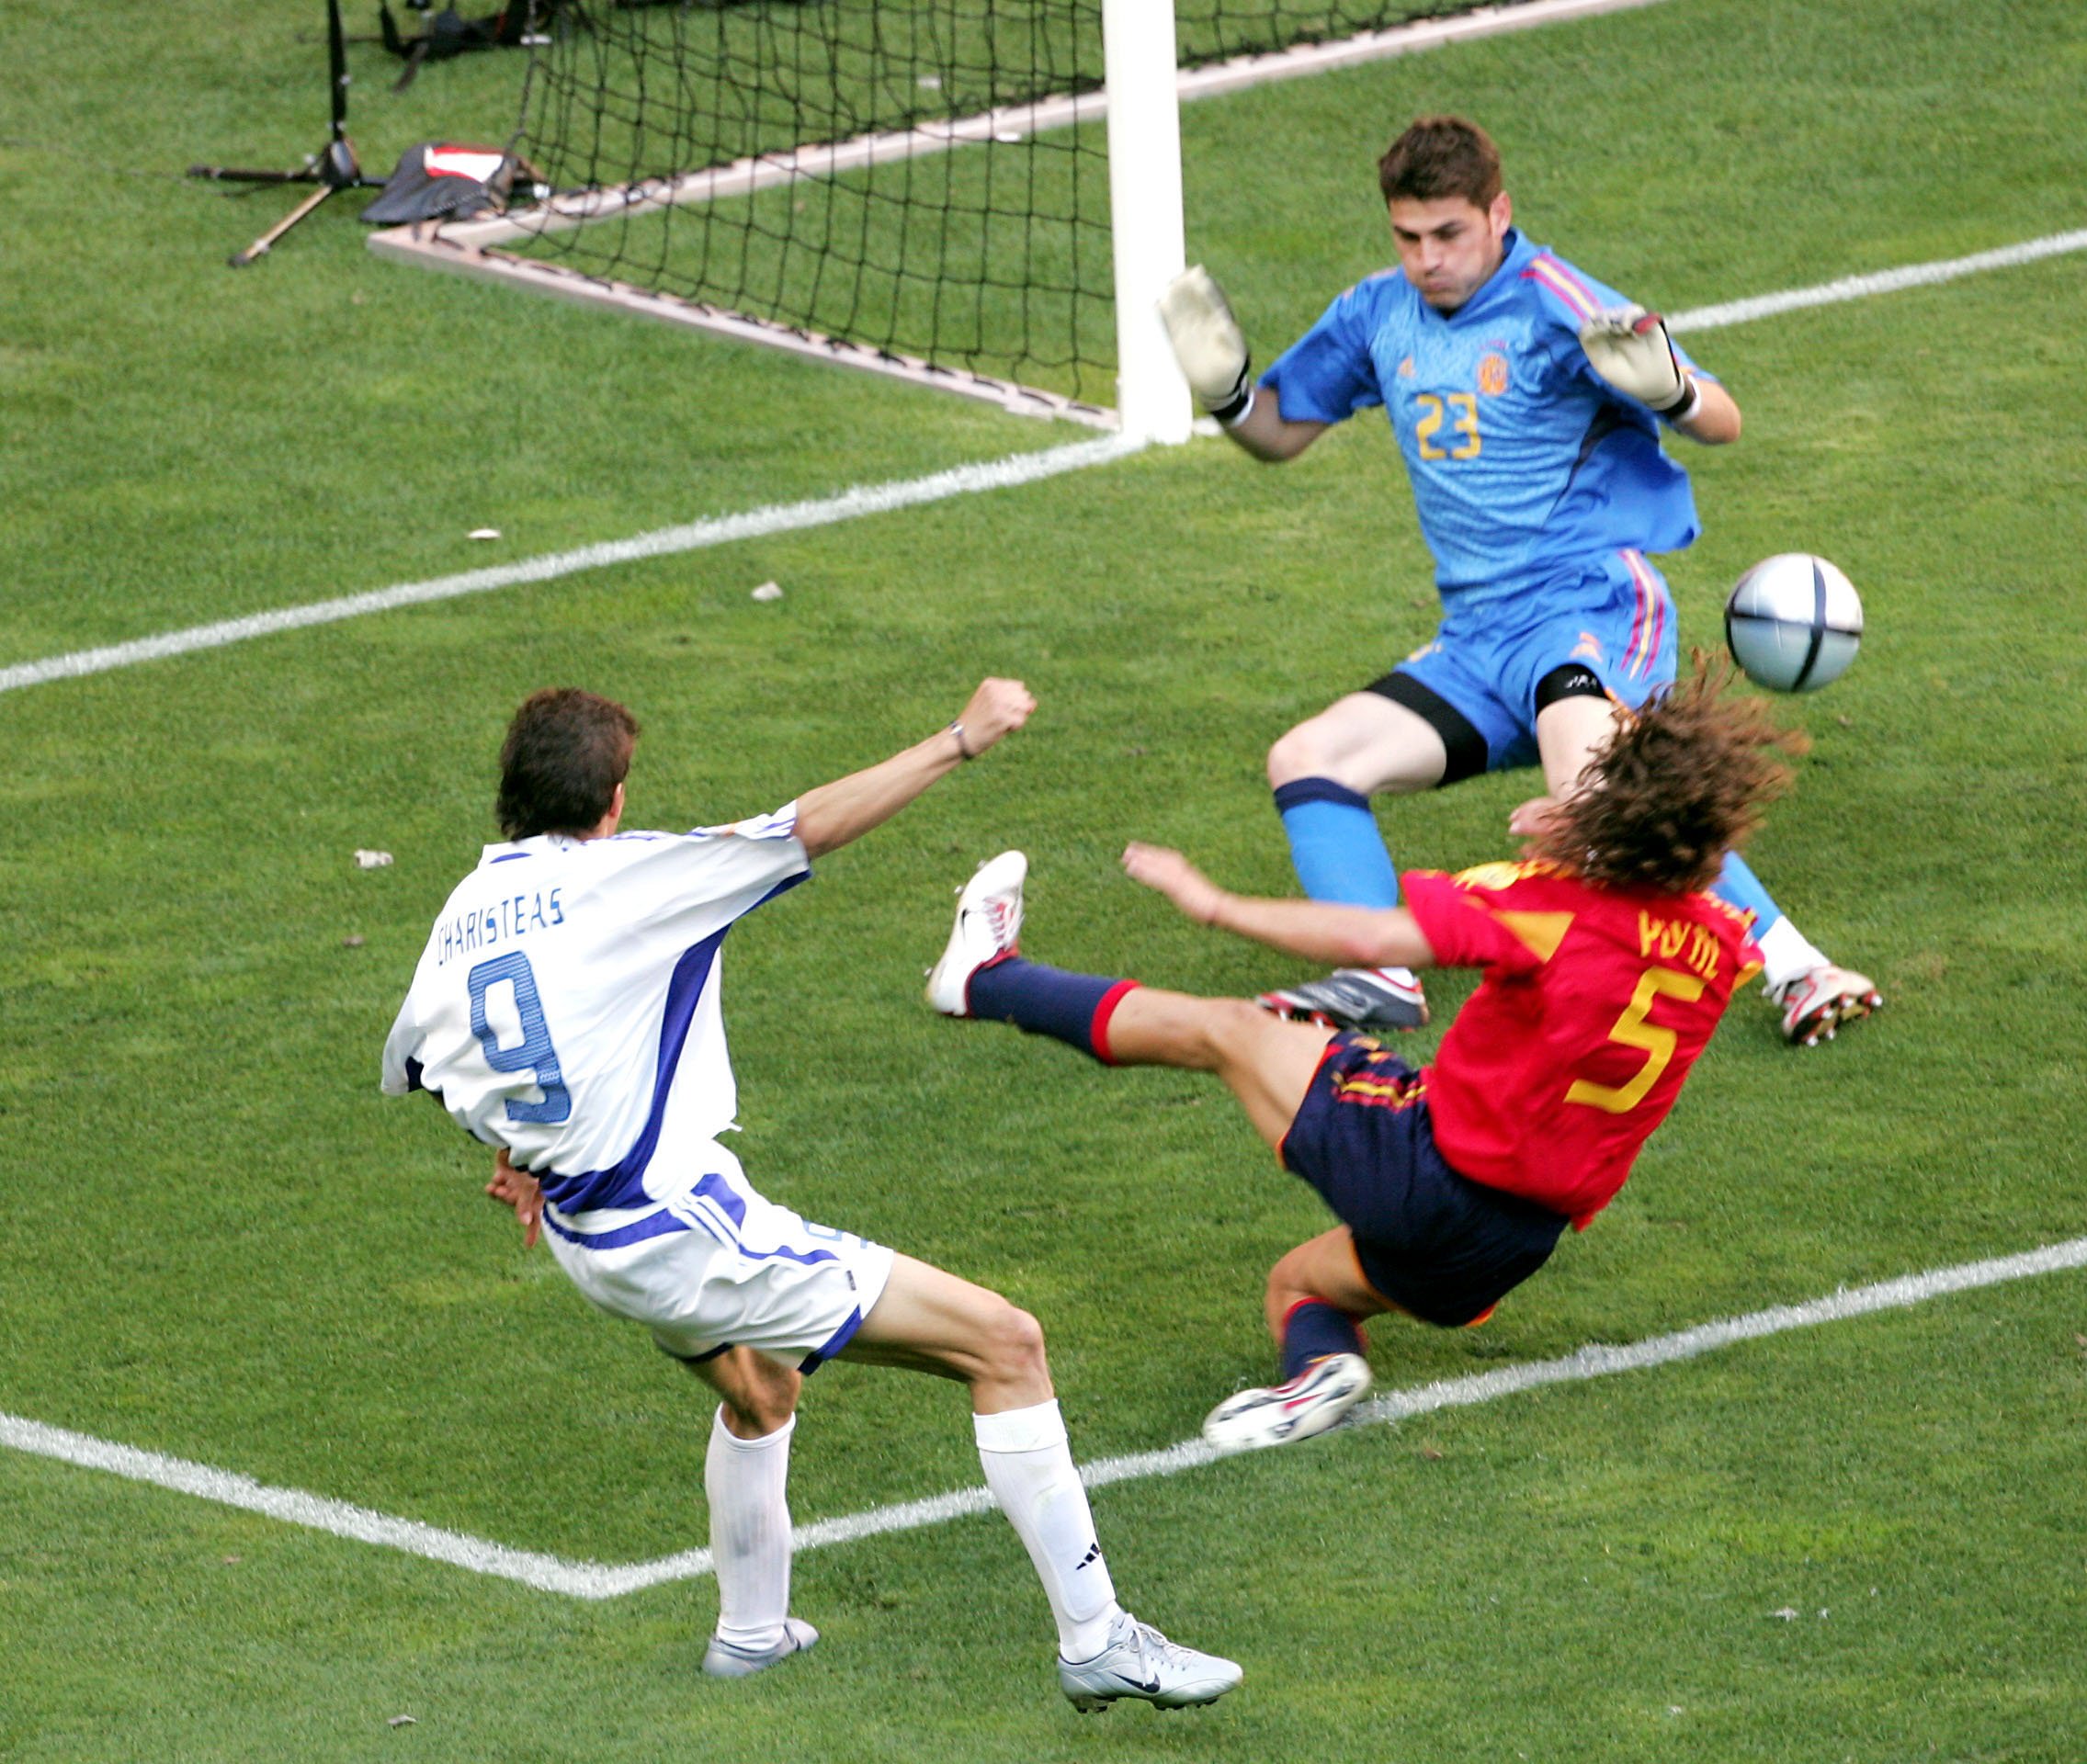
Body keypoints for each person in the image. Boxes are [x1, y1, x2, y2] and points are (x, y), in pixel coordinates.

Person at [381, 681, 1240, 1713]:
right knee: (1005, 1343)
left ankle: (751, 1636)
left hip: (589, 1236)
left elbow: (421, 1062)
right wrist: (959, 740)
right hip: (682, 1230)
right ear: (612, 800)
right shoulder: (628, 877)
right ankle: (1098, 1638)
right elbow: (807, 826)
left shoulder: (463, 914)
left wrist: (515, 1153)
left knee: (761, 1389)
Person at [927, 658, 1791, 1448]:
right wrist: (1580, 836)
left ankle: (987, 978)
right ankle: (1317, 1370)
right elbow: (1642, 913)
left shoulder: (1546, 907)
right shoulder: (1723, 941)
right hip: (1510, 1246)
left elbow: (1377, 936)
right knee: (1298, 1285)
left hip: (1424, 1170)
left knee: (1229, 1030)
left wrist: (1214, 903)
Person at [1156, 114, 1877, 1047]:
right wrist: (1225, 396)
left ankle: (1800, 969)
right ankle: (1377, 973)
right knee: (1307, 759)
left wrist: (1671, 389)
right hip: (1476, 642)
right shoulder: (1376, 312)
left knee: (1600, 795)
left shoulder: (1554, 302)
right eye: (1408, 237)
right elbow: (1278, 433)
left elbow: (1723, 421)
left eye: (1448, 233)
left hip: (1587, 605)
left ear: (1498, 214)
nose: (1427, 259)